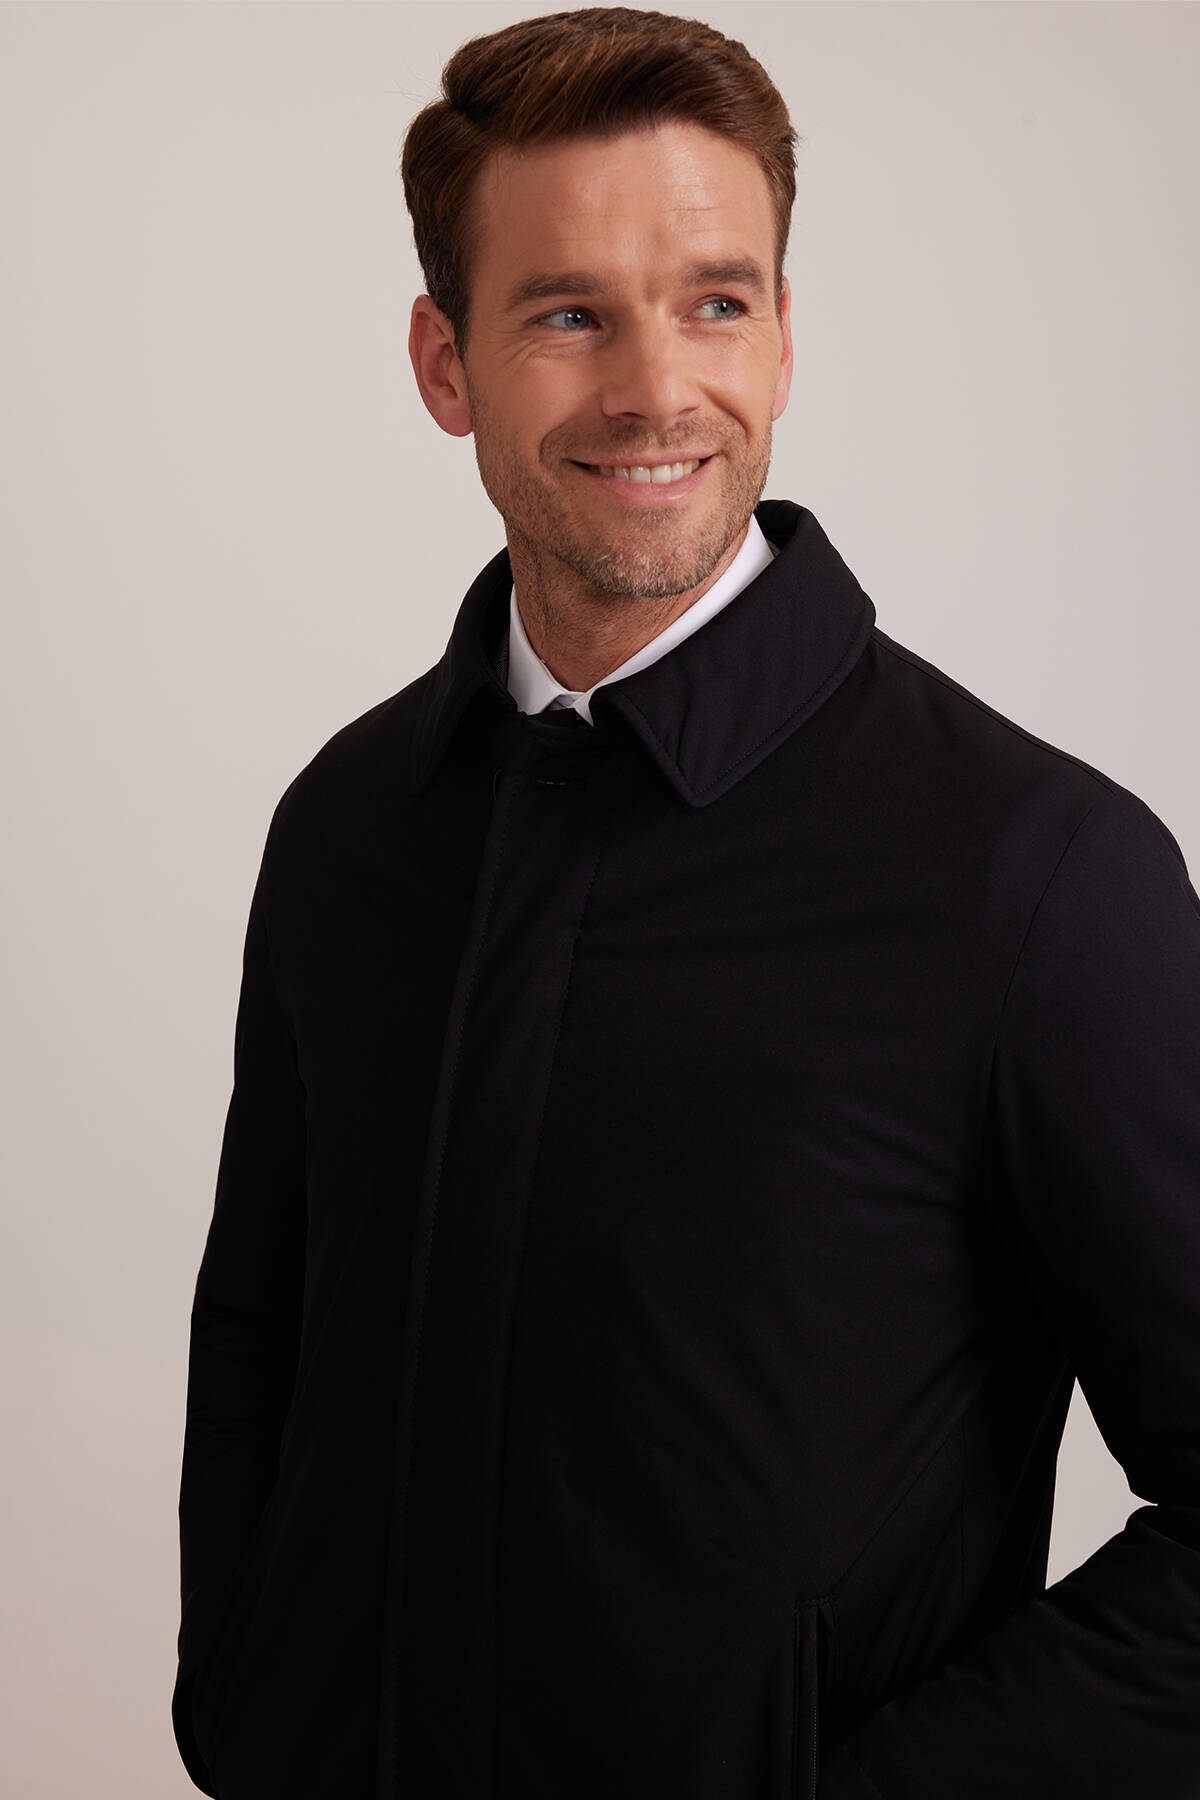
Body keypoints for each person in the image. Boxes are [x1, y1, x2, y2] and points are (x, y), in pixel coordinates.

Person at [171, 9, 1200, 1798]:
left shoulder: (1033, 874)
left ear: (785, 338)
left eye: (716, 302)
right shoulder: (348, 825)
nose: (656, 388)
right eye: (569, 314)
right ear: (444, 361)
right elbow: (263, 1325)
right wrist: (245, 1710)